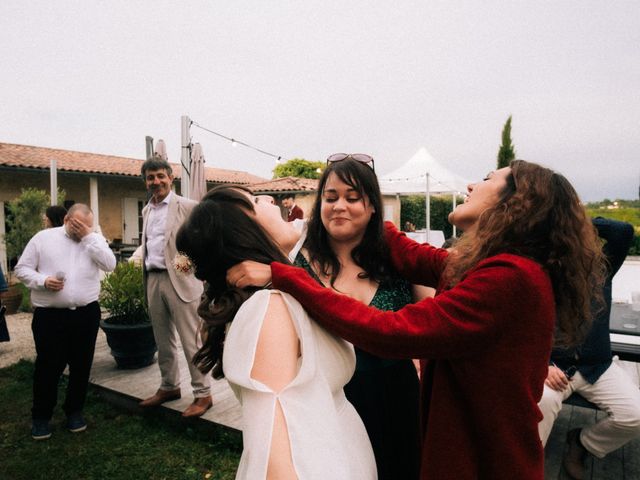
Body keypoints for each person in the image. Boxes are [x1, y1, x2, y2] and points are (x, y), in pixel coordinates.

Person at [228, 160, 606, 479]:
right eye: (332, 198)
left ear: (517, 203)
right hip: (469, 442)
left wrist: (285, 275)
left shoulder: (510, 279)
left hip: (485, 456)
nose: (473, 183)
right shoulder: (495, 267)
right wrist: (360, 214)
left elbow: (390, 331)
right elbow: (420, 258)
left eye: (489, 179)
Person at [175, 185, 377, 479]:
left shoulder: (283, 291)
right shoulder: (269, 310)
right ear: (246, 231)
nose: (271, 200)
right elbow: (275, 460)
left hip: (339, 449)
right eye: (256, 201)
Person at [292, 154, 420, 479]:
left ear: (373, 206)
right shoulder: (299, 267)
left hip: (398, 398)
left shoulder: (399, 259)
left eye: (353, 198)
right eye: (330, 197)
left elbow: (436, 321)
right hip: (329, 400)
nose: (339, 206)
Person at [538, 217, 639, 480]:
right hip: (553, 369)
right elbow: (522, 328)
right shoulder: (540, 274)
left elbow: (623, 231)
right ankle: (528, 464)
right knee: (542, 404)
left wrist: (573, 217)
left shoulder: (601, 269)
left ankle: (582, 443)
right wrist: (543, 365)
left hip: (599, 367)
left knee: (635, 414)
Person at [14, 204, 116, 440]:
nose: (80, 229)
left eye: (86, 226)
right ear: (67, 219)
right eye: (77, 225)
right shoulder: (43, 238)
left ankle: (74, 412)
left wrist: (89, 237)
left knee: (81, 366)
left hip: (85, 314)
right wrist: (43, 280)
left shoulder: (94, 240)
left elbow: (110, 265)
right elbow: (22, 269)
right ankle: (41, 417)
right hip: (50, 316)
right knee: (48, 367)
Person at [138, 155, 212, 417]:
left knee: (191, 339)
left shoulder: (188, 206)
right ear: (145, 182)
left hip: (180, 280)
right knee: (162, 339)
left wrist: (187, 270)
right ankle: (169, 386)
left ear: (171, 177)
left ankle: (203, 394)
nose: (156, 181)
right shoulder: (147, 210)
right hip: (153, 278)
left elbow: (203, 242)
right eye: (150, 177)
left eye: (160, 176)